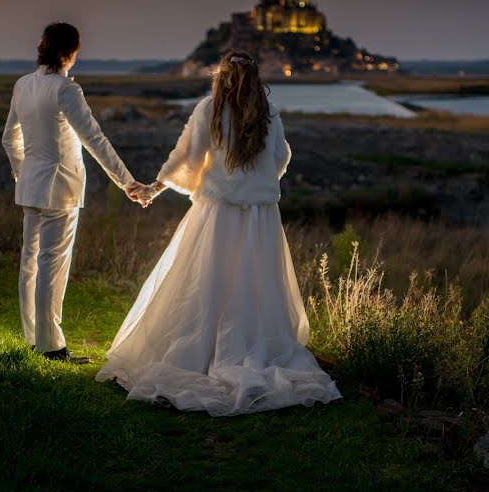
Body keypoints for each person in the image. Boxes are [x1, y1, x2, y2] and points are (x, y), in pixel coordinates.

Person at [96, 50, 342, 415]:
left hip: (217, 213)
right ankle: (250, 348)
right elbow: (281, 159)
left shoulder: (209, 109)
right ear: (256, 79)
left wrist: (155, 187)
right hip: (260, 217)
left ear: (221, 78)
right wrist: (256, 184)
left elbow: (186, 158)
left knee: (208, 282)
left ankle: (205, 350)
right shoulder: (269, 114)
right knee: (253, 286)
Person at [2, 22, 147, 363]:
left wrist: (25, 175)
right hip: (60, 188)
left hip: (31, 188)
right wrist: (127, 182)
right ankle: (51, 347)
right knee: (52, 266)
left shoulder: (23, 85)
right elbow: (94, 139)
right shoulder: (67, 90)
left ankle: (32, 340)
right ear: (70, 53)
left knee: (30, 263)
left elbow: (10, 138)